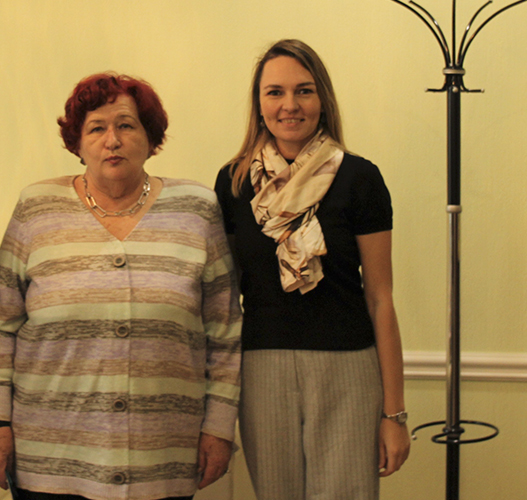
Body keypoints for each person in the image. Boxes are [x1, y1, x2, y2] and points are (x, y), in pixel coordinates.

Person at [0, 73, 242, 500]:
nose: (112, 140)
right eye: (96, 128)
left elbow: (225, 332)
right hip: (48, 460)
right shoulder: (37, 208)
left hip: (163, 459)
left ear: (150, 138)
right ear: (77, 144)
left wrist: (219, 427)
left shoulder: (196, 209)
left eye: (126, 125)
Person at [213, 40, 410, 500]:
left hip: (348, 369)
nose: (290, 105)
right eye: (275, 92)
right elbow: (223, 301)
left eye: (303, 91)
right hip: (261, 369)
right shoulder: (233, 182)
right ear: (259, 104)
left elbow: (380, 298)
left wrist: (395, 414)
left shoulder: (360, 178)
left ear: (322, 99)